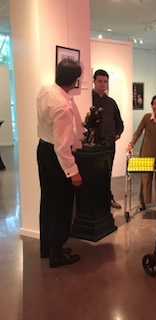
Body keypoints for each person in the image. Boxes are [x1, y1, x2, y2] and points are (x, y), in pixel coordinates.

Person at [37, 58, 82, 268]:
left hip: (43, 149)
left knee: (48, 201)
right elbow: (62, 147)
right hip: (56, 157)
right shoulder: (63, 106)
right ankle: (56, 254)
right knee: (62, 204)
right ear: (74, 80)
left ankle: (47, 247)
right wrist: (73, 172)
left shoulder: (46, 89)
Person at [127, 95, 156, 210]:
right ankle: (143, 201)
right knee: (145, 179)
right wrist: (131, 144)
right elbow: (137, 133)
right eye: (153, 104)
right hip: (146, 153)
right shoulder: (147, 118)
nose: (155, 107)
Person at [92, 69, 124, 209]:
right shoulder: (88, 99)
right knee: (94, 173)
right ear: (94, 81)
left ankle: (107, 198)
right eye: (99, 81)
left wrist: (117, 133)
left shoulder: (111, 102)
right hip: (93, 145)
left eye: (105, 81)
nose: (102, 84)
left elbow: (119, 122)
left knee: (107, 172)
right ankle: (96, 201)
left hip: (109, 144)